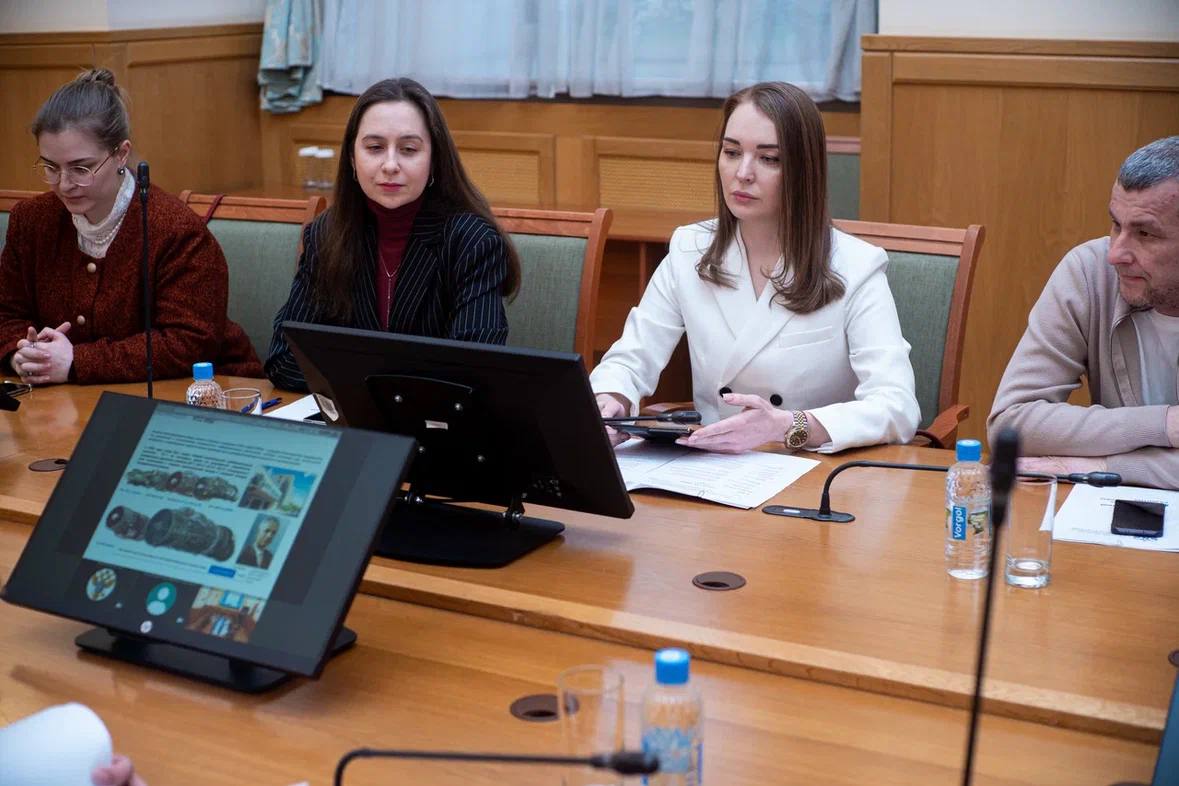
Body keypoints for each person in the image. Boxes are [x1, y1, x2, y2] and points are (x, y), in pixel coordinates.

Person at [590, 82, 919, 454]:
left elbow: (896, 406)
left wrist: (787, 424)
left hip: (807, 465)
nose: (743, 173)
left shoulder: (856, 265)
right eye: (732, 152)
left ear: (803, 171)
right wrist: (612, 398)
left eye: (769, 159)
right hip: (710, 465)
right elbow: (631, 359)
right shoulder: (689, 249)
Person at [0, 69, 261, 385]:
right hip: (68, 399)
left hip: (202, 392)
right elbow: (6, 314)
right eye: (51, 167)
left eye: (81, 168)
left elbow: (189, 342)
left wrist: (77, 361)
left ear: (121, 154)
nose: (64, 184)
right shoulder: (31, 220)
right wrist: (22, 354)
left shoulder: (176, 230)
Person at [265, 78, 520, 391]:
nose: (390, 165)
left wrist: (356, 379)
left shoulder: (471, 241)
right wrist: (381, 388)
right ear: (352, 159)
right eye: (374, 148)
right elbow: (284, 359)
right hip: (352, 418)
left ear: (434, 160)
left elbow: (473, 372)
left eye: (408, 149)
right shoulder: (326, 234)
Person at [988, 136, 1179, 489]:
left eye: (1145, 234)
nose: (1116, 254)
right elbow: (1011, 424)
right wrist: (1164, 424)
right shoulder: (1090, 273)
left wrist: (1104, 465)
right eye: (1116, 225)